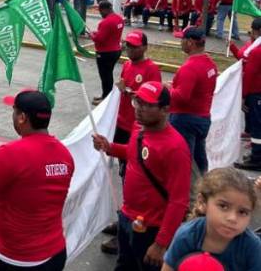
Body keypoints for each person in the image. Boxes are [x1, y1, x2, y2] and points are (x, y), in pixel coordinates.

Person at [0, 90, 74, 270]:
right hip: (54, 255)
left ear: (22, 117)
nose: (13, 115)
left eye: (14, 111)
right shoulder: (65, 156)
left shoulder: (10, 154)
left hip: (12, 258)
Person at [92, 81, 192, 271]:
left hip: (151, 229)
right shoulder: (139, 127)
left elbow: (179, 200)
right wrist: (109, 147)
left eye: (147, 105)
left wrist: (161, 244)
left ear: (165, 109)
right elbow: (133, 153)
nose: (139, 109)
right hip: (127, 218)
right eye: (138, 102)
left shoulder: (176, 148)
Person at [101, 30, 162, 255]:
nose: (130, 49)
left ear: (145, 47)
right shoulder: (127, 65)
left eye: (135, 46)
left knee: (133, 177)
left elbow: (154, 98)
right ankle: (124, 218)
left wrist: (128, 90)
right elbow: (123, 86)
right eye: (128, 45)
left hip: (137, 130)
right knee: (124, 175)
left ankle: (126, 230)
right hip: (122, 124)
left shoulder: (151, 69)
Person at [162, 167, 261, 271]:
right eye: (223, 206)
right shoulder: (186, 235)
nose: (232, 218)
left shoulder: (252, 247)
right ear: (202, 203)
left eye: (242, 212)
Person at [167, 27, 218, 173]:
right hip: (203, 118)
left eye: (182, 40)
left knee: (184, 160)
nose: (181, 43)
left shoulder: (189, 67)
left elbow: (182, 97)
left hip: (185, 119)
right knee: (199, 156)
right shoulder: (210, 64)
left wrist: (168, 89)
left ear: (190, 43)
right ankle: (205, 185)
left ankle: (188, 191)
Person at [234, 17, 261, 171]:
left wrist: (243, 95)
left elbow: (250, 74)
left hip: (256, 92)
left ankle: (257, 158)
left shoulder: (257, 52)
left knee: (257, 128)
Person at [90, 0, 124, 105]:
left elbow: (100, 39)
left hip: (105, 53)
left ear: (105, 9)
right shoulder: (119, 19)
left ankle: (105, 98)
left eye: (100, 11)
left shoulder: (105, 22)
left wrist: (91, 35)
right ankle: (105, 95)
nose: (100, 14)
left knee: (105, 77)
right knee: (108, 75)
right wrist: (97, 33)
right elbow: (109, 34)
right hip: (116, 50)